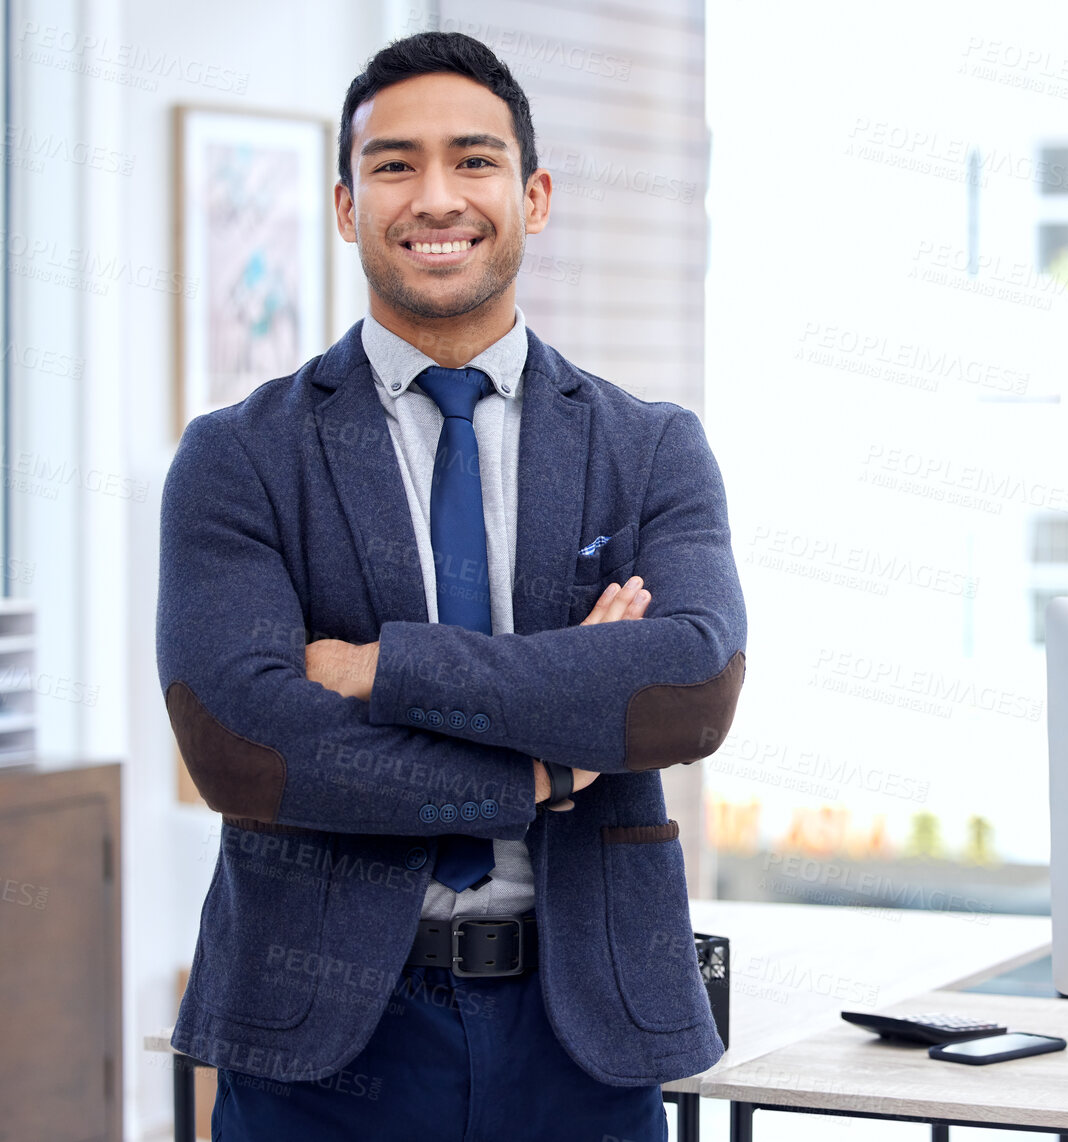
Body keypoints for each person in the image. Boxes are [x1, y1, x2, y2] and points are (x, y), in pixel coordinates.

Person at [156, 31, 745, 1141]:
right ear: (344, 204)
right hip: (322, 1041)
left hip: (585, 1031)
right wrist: (552, 754)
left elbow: (689, 689)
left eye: (473, 160)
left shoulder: (649, 447)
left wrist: (385, 666)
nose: (437, 197)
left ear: (533, 194)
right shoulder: (238, 455)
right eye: (394, 164)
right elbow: (248, 745)